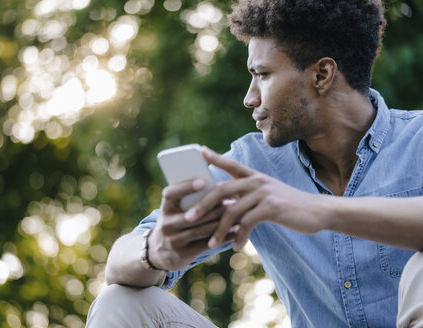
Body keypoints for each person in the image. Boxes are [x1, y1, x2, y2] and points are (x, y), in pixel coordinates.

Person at [85, 0, 423, 327]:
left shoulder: (417, 139)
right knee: (120, 301)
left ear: (322, 74)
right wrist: (155, 251)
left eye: (262, 74)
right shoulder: (251, 166)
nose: (250, 98)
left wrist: (317, 209)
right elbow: (118, 263)